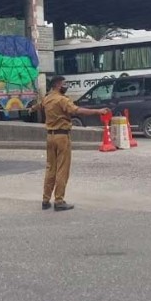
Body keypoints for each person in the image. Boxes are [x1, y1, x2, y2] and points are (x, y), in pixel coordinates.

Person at [40, 76, 108, 212]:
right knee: (62, 169)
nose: (66, 86)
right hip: (62, 137)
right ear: (58, 85)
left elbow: (39, 106)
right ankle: (59, 201)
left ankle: (45, 200)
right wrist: (97, 111)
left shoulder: (47, 98)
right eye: (64, 84)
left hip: (50, 136)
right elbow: (76, 110)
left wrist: (31, 109)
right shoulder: (62, 100)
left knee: (50, 168)